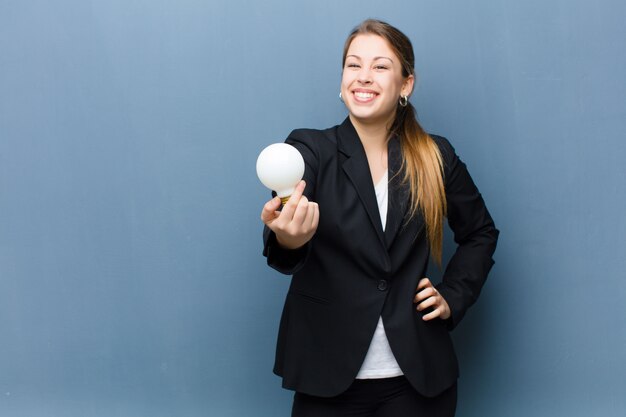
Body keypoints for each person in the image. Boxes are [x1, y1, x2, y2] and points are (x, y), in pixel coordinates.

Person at [260, 19, 499, 417]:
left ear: (406, 85)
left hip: (420, 381)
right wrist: (289, 238)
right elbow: (285, 240)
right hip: (327, 376)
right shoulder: (308, 149)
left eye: (380, 66)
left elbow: (480, 232)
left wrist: (453, 296)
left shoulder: (436, 156)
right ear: (341, 80)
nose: (363, 77)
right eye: (353, 65)